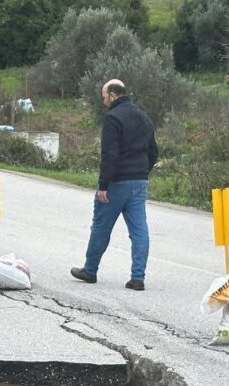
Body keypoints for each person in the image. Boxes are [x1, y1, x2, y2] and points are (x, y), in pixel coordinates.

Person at [70, 79, 158, 290]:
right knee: (139, 230)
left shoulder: (112, 118)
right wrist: (143, 171)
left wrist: (103, 186)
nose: (103, 102)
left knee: (101, 226)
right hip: (139, 181)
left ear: (112, 95)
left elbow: (110, 155)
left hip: (117, 182)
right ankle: (138, 278)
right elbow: (153, 151)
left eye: (104, 97)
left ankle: (90, 270)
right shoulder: (144, 117)